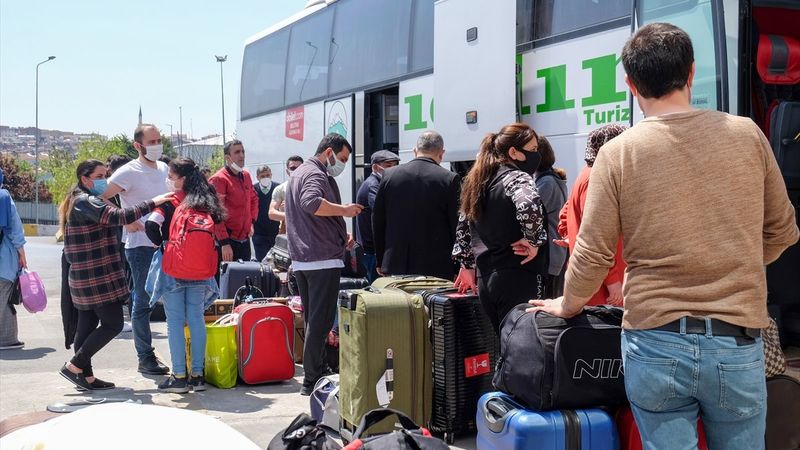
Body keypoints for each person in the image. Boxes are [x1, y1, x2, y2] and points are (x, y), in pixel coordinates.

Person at [529, 23, 800, 450]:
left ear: (631, 84)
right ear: (692, 73)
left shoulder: (617, 154)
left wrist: (567, 303)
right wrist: (736, 258)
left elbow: (593, 253)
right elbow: (784, 230)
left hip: (654, 341)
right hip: (737, 339)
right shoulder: (747, 134)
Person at [59, 159, 173, 390]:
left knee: (87, 325)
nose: (105, 181)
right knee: (113, 324)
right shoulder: (86, 201)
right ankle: (74, 366)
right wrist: (153, 202)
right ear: (85, 178)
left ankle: (85, 377)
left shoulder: (83, 201)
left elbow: (116, 216)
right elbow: (120, 217)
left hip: (87, 276)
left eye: (106, 175)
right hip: (95, 277)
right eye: (100, 176)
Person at [284, 133, 362, 395]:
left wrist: (340, 232)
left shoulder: (299, 172)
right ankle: (312, 380)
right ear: (329, 152)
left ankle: (314, 371)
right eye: (341, 158)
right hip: (320, 259)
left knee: (313, 319)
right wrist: (345, 211)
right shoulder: (316, 174)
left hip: (306, 258)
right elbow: (312, 203)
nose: (342, 164)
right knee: (320, 321)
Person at [452, 123, 548, 333]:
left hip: (486, 278)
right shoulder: (516, 177)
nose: (536, 155)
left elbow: (463, 225)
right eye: (532, 150)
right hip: (518, 275)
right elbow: (528, 204)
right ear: (513, 152)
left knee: (504, 347)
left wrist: (466, 264)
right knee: (523, 344)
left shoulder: (479, 182)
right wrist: (534, 240)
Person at [146, 158, 223, 393]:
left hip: (173, 269)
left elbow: (151, 225)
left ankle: (179, 376)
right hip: (200, 269)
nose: (169, 180)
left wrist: (164, 245)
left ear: (182, 178)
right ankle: (198, 376)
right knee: (197, 319)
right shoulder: (205, 201)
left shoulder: (169, 202)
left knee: (175, 323)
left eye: (171, 176)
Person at [103, 124, 170, 375]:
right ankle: (145, 356)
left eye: (159, 140)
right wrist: (124, 218)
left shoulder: (164, 168)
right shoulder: (127, 172)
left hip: (166, 245)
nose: (156, 145)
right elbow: (100, 197)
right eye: (151, 142)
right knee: (142, 303)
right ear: (137, 145)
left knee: (172, 300)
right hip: (140, 247)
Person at [555, 125, 628, 306]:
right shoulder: (596, 177)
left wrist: (571, 236)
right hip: (602, 283)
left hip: (591, 275)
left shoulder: (587, 173)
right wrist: (613, 282)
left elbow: (564, 215)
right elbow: (598, 233)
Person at [373, 131, 461, 280]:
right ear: (442, 153)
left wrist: (381, 259)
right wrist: (457, 266)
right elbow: (457, 225)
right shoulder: (449, 179)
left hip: (395, 263)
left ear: (415, 150)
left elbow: (378, 220)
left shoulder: (389, 176)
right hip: (437, 266)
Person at [209, 140, 259, 262]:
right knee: (227, 279)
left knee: (246, 279)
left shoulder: (245, 176)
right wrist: (224, 243)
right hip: (228, 243)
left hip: (245, 239)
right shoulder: (219, 179)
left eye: (243, 151)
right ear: (227, 157)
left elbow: (254, 199)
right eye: (237, 152)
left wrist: (251, 221)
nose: (241, 155)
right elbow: (216, 213)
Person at [355, 150, 400, 282]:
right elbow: (382, 211)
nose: (393, 169)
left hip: (373, 249)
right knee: (377, 288)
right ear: (375, 167)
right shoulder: (373, 185)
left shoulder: (379, 183)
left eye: (395, 165)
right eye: (388, 165)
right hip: (372, 251)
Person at [533, 136, 568, 298]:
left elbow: (531, 215)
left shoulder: (546, 183)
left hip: (549, 257)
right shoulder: (551, 179)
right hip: (555, 255)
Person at [0, 167, 27, 351]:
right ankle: (6, 340)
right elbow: (14, 229)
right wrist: (22, 254)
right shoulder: (3, 197)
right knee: (4, 299)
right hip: (3, 261)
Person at [269, 155, 304, 234]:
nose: (296, 171)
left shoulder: (311, 187)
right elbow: (271, 213)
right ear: (287, 171)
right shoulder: (280, 189)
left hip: (309, 232)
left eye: (299, 168)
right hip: (289, 233)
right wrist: (289, 213)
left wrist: (292, 207)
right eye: (292, 168)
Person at [252, 165, 280, 261]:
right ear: (257, 177)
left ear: (271, 175)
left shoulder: (278, 188)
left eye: (267, 175)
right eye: (262, 176)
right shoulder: (252, 190)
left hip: (276, 233)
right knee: (262, 263)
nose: (265, 178)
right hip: (259, 233)